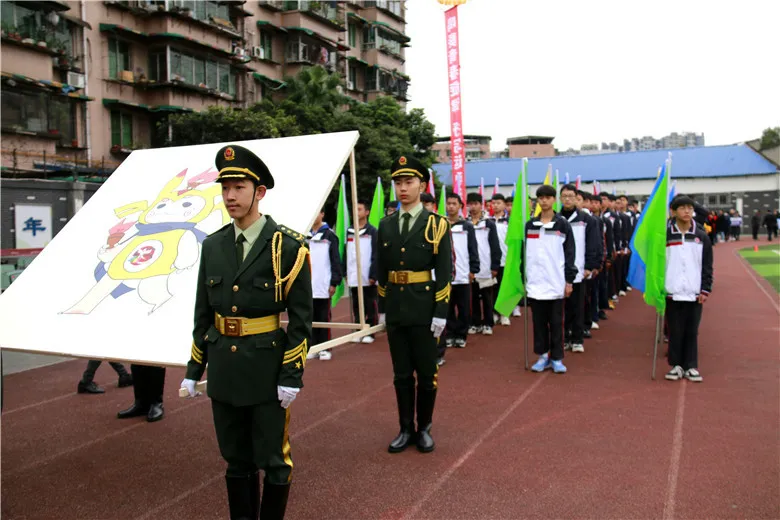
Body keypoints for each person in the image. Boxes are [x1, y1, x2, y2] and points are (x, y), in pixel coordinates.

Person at [180, 144, 313, 520]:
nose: (230, 196)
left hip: (266, 370)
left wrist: (291, 375)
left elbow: (301, 321)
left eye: (238, 187)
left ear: (260, 192)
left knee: (273, 460)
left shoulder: (287, 247)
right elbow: (202, 314)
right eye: (225, 188)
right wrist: (194, 370)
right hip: (224, 368)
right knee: (235, 460)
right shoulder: (214, 245)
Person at [377, 155, 452, 454]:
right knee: (401, 373)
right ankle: (405, 427)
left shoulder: (437, 224)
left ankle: (425, 428)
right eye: (398, 183)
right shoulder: (386, 224)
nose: (402, 188)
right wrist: (382, 306)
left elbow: (445, 271)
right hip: (396, 305)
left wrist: (441, 312)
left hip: (424, 307)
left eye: (409, 182)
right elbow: (381, 269)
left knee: (427, 372)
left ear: (422, 185)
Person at [522, 185, 577, 374]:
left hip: (555, 283)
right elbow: (524, 255)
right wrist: (524, 278)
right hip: (535, 283)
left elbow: (570, 254)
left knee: (556, 323)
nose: (544, 201)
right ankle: (542, 355)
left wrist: (569, 281)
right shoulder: (529, 225)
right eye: (541, 198)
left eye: (548, 197)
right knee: (538, 323)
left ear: (554, 200)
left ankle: (557, 357)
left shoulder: (562, 225)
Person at [664, 196, 713, 383]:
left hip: (694, 291)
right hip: (672, 290)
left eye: (690, 208)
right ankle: (676, 365)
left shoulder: (701, 236)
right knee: (675, 330)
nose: (687, 211)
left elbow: (707, 265)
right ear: (673, 211)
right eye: (682, 208)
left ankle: (691, 365)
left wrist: (705, 289)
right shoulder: (666, 236)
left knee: (692, 330)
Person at [563, 187, 601, 351]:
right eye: (564, 196)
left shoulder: (586, 220)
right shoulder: (556, 220)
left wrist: (589, 266)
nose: (568, 200)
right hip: (559, 270)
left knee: (577, 306)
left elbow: (593, 244)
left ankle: (577, 338)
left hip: (578, 270)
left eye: (571, 196)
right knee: (562, 308)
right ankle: (564, 337)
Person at [444, 193, 479, 351]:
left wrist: (473, 269)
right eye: (448, 203)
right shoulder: (441, 225)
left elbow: (473, 249)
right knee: (448, 307)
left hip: (463, 273)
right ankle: (450, 334)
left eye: (454, 204)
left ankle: (461, 335)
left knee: (464, 307)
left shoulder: (467, 226)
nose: (451, 206)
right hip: (445, 275)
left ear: (460, 206)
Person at [307, 208, 342, 361]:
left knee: (323, 317)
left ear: (322, 214)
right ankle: (313, 347)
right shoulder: (304, 235)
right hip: (308, 285)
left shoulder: (330, 236)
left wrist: (334, 282)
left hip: (323, 284)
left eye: (317, 212)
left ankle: (325, 347)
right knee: (310, 318)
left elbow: (335, 260)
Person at [466, 192, 501, 335]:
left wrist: (495, 265)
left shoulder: (488, 223)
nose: (473, 207)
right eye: (471, 204)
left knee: (487, 296)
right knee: (472, 296)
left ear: (482, 205)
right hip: (470, 267)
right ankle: (475, 322)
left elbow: (495, 246)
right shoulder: (465, 223)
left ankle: (488, 322)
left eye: (476, 204)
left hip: (486, 265)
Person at [345, 200, 379, 343]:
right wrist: (345, 272)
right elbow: (346, 252)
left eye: (359, 209)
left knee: (370, 303)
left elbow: (376, 254)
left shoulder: (373, 232)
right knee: (356, 305)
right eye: (354, 209)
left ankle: (370, 331)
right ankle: (359, 330)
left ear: (367, 212)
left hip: (367, 275)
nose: (356, 212)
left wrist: (373, 274)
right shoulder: (349, 231)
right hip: (354, 275)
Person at [490, 194, 511, 326]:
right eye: (494, 203)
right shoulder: (487, 221)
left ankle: (504, 313)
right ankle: (494, 313)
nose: (496, 205)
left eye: (498, 203)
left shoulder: (509, 221)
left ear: (504, 205)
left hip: (506, 259)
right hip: (491, 261)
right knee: (492, 288)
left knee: (505, 288)